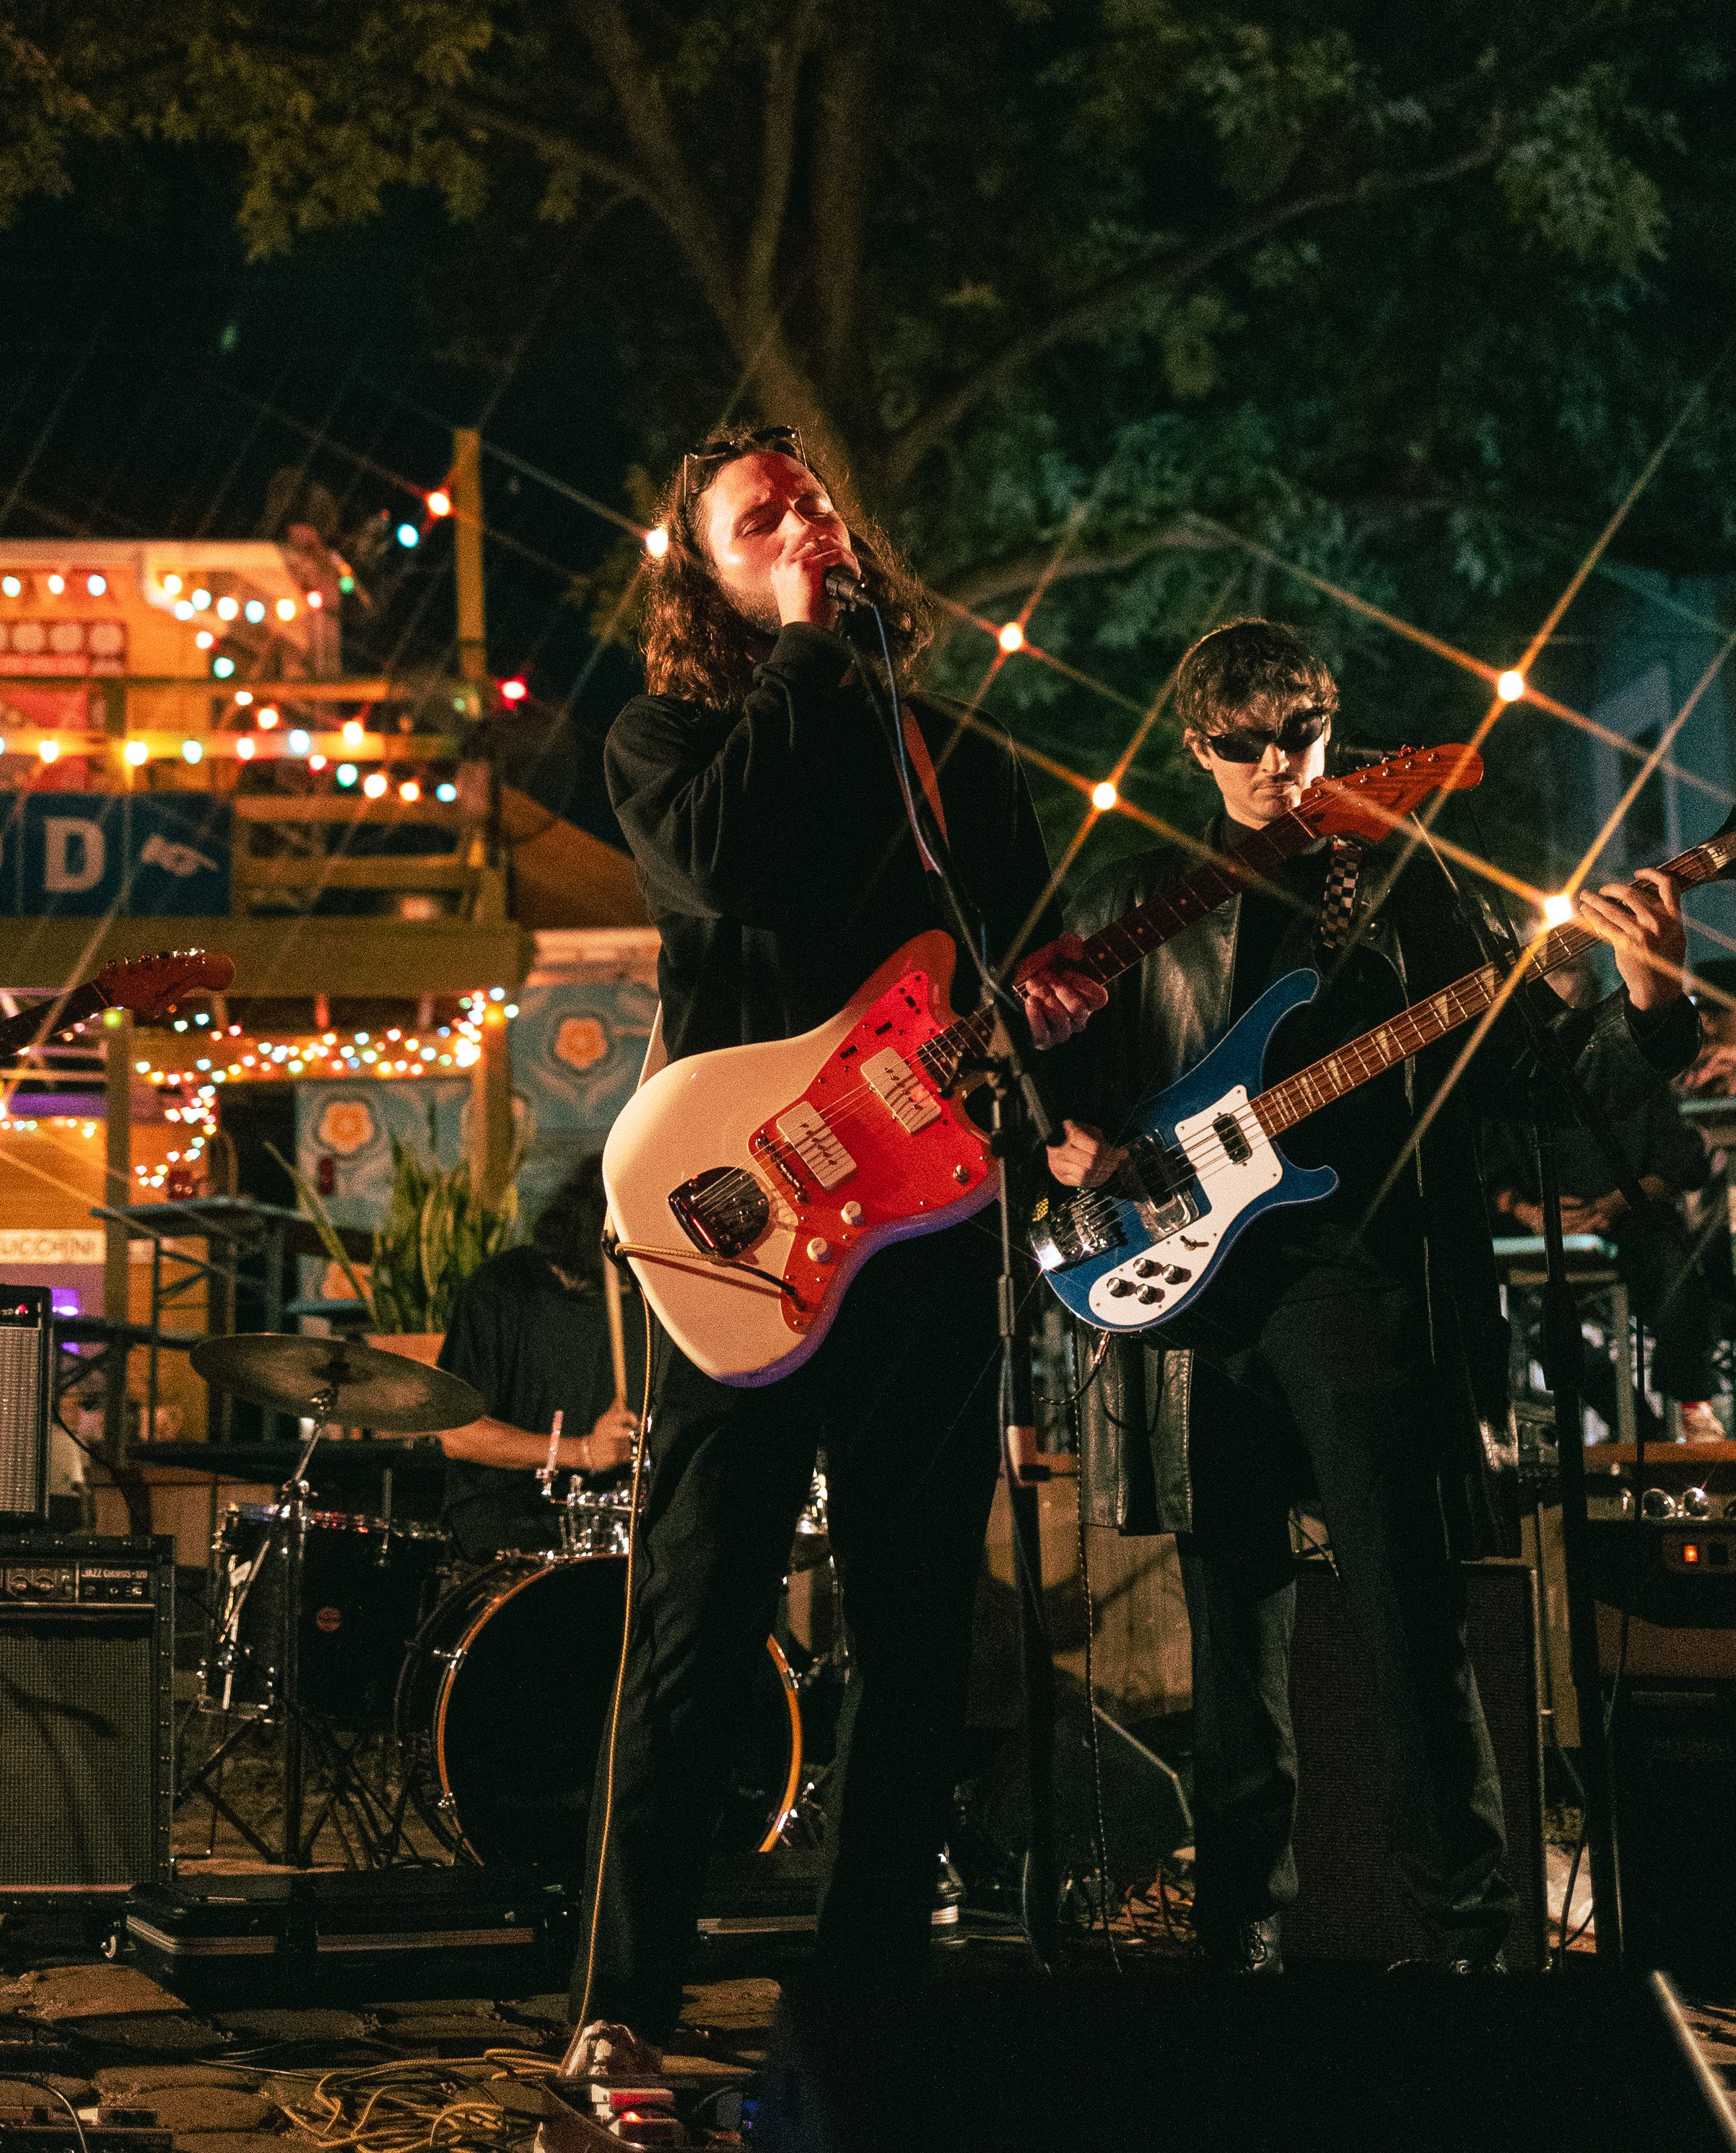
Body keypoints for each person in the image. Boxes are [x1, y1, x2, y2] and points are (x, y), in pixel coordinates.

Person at [1048, 617, 1696, 1973]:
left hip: (1361, 1285)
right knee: (1232, 1634)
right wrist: (1070, 1146)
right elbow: (1042, 1084)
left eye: (1301, 736)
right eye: (1245, 744)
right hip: (1192, 1300)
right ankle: (1239, 1939)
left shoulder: (1412, 887)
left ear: (1333, 731)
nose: (1279, 766)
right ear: (1195, 748)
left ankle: (1465, 1939)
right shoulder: (1138, 889)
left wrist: (1648, 1002)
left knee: (1412, 1618)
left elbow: (1530, 1080)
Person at [567, 422, 1102, 2061]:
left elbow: (1018, 986)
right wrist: (806, 644)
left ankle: (866, 1993)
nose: (803, 517)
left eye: (811, 498)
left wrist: (1055, 1024)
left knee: (923, 1614)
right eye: (759, 515)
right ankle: (624, 2004)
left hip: (928, 1237)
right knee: (702, 1609)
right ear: (706, 573)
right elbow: (721, 856)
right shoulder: (669, 733)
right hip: (743, 1236)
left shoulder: (961, 765)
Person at [1483, 962, 1722, 1444]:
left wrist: (1611, 1207)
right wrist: (1531, 1212)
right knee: (1540, 1330)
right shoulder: (1510, 1078)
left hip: (1632, 1224)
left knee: (1680, 1274)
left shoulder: (1625, 1071)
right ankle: (1640, 1427)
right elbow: (1489, 1173)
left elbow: (1680, 1161)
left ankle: (1692, 1405)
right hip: (1545, 1232)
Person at [437, 1153, 642, 1562]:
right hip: (510, 1521)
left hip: (621, 1527)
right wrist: (583, 1452)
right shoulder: (499, 1289)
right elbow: (457, 1435)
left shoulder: (650, 1299)